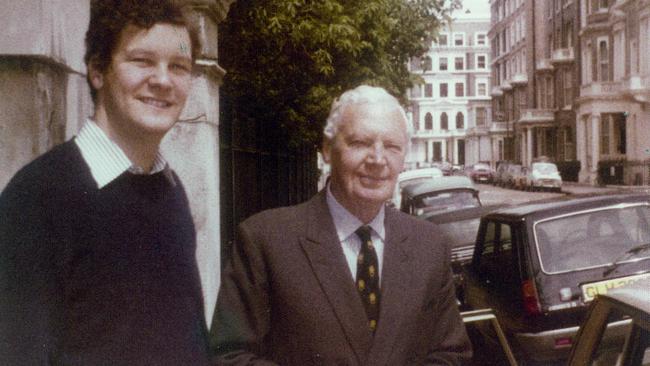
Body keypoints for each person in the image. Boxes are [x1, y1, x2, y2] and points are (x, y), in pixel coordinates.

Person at [0, 1, 211, 364]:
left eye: (179, 66)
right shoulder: (38, 197)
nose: (163, 80)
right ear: (98, 71)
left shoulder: (171, 192)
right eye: (142, 61)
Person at [211, 85, 472, 365]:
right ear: (326, 149)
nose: (377, 159)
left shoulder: (430, 245)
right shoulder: (266, 240)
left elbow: (451, 353)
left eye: (392, 147)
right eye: (360, 143)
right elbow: (229, 355)